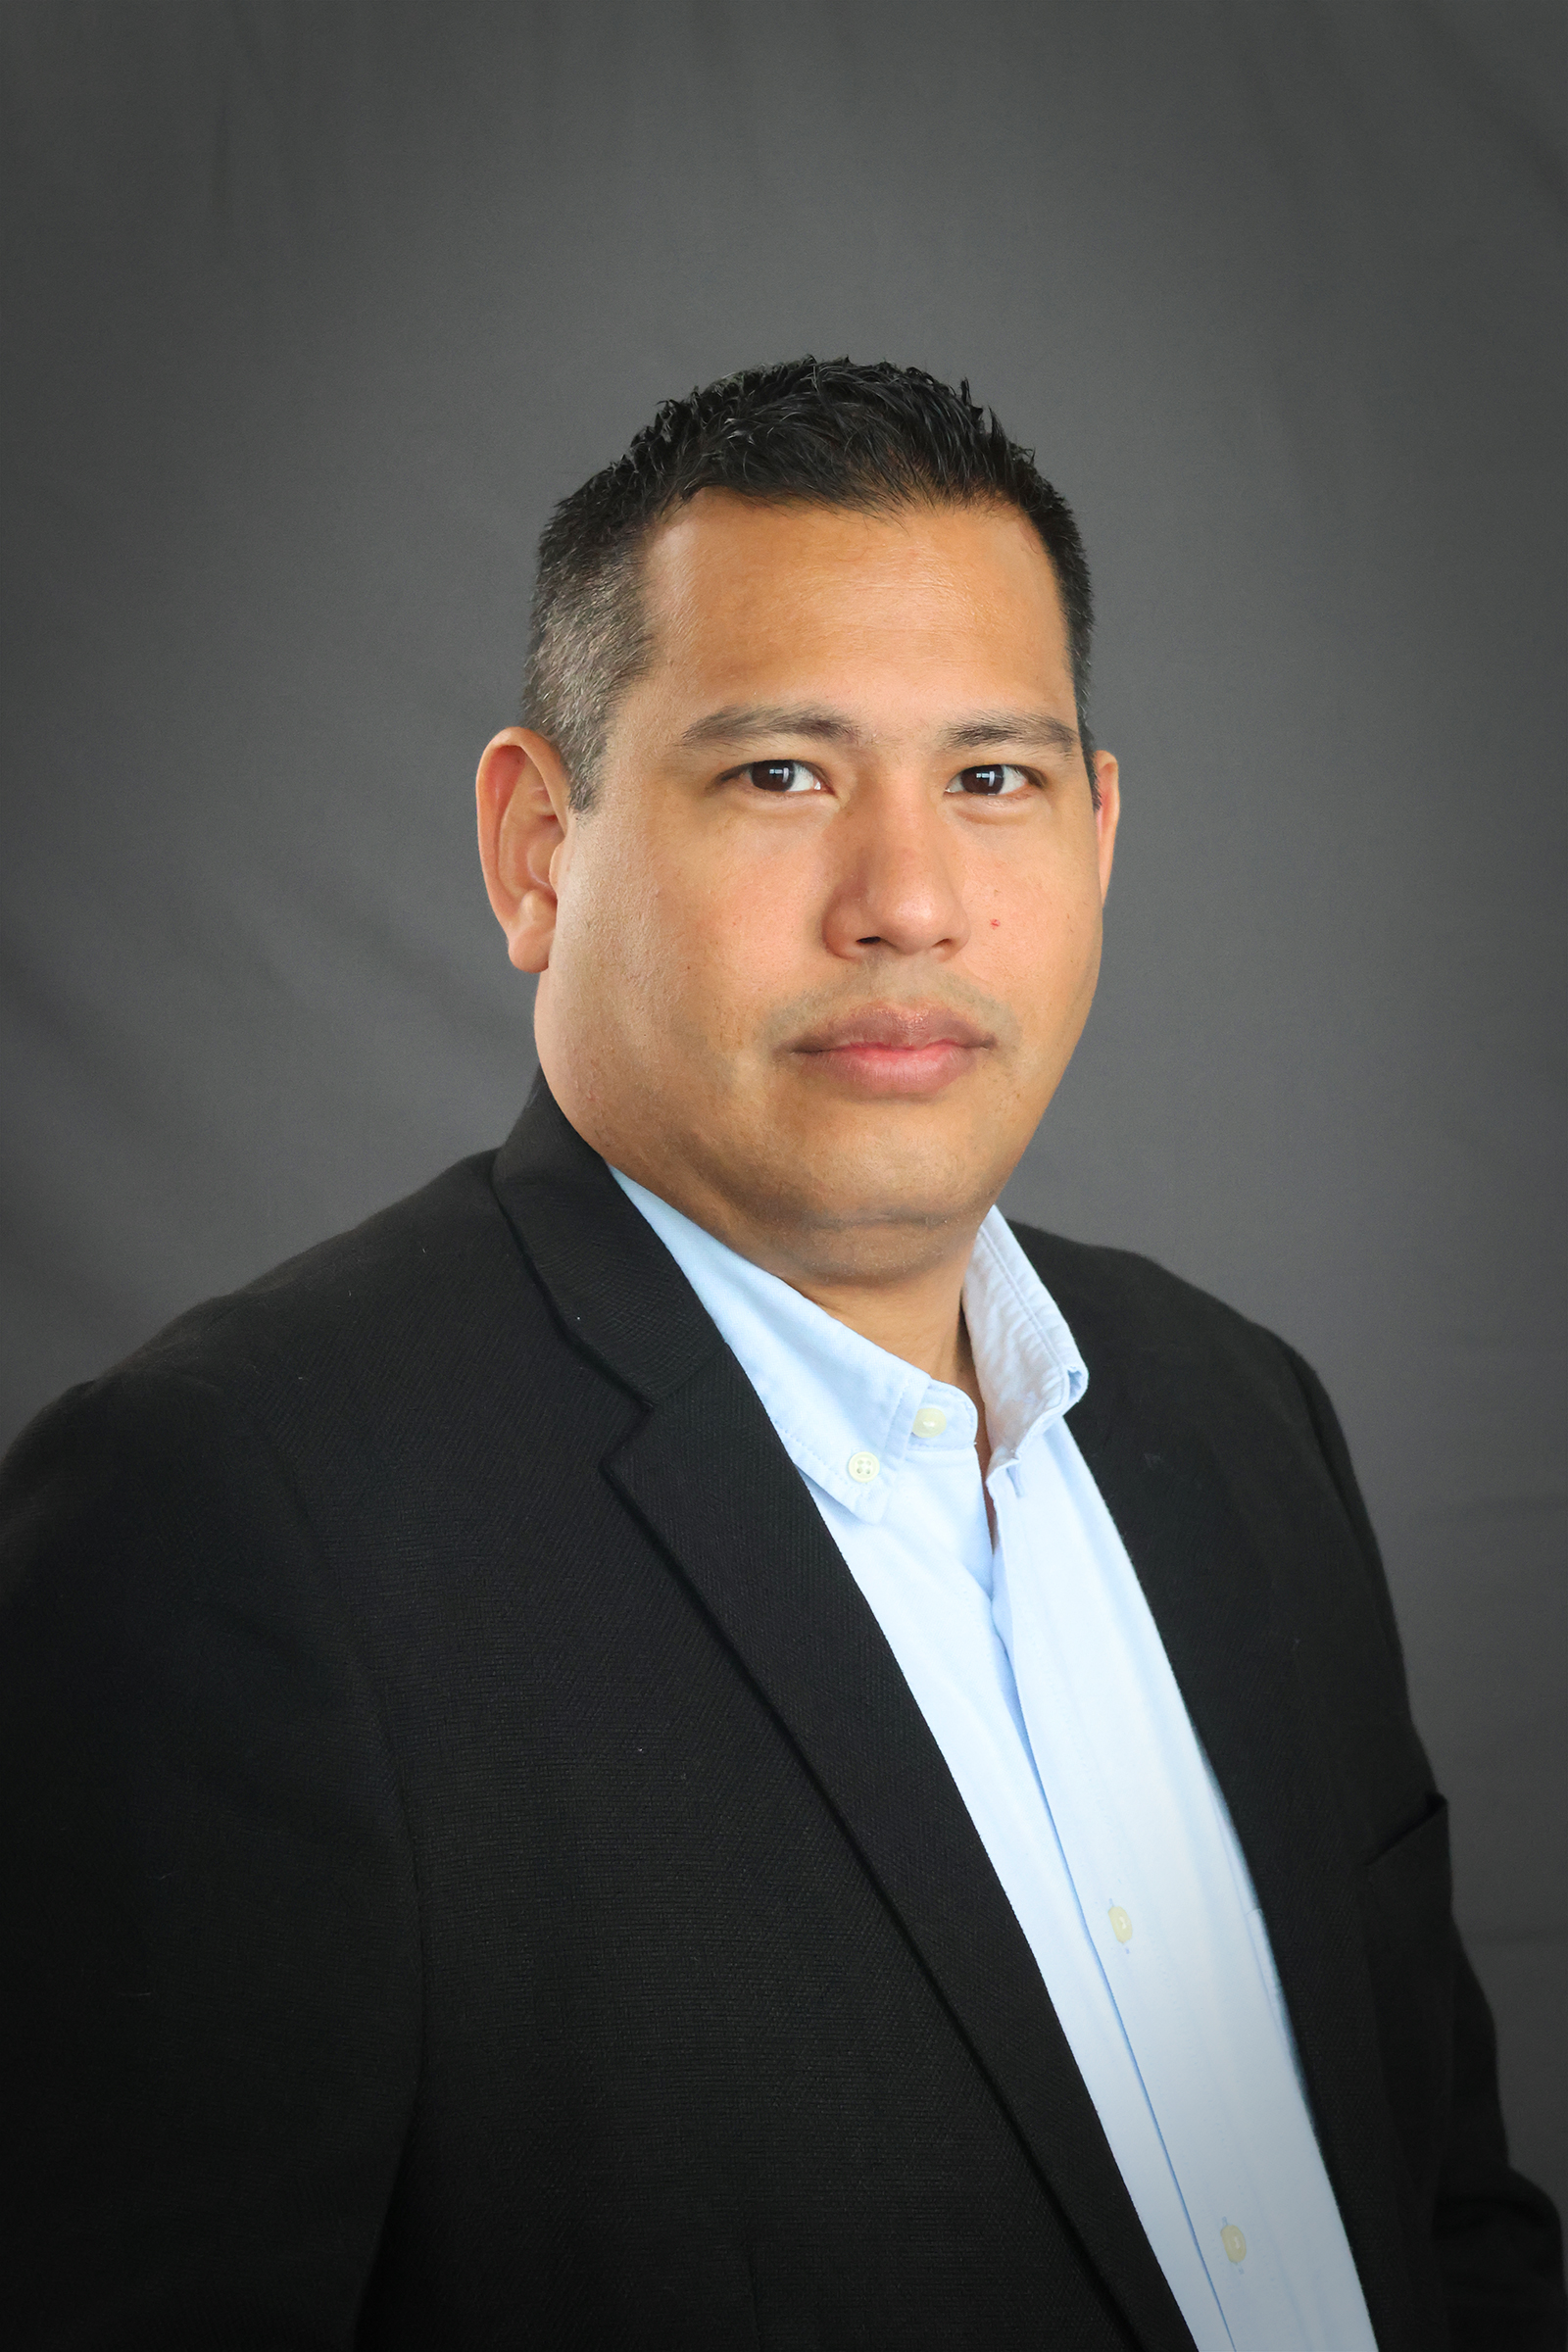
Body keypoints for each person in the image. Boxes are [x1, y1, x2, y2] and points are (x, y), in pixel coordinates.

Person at [1, 359, 1560, 2352]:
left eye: (990, 780)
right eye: (781, 776)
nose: (907, 902)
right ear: (535, 851)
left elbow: (1444, 2222)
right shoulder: (225, 1531)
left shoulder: (1240, 1421)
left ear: (1096, 839)